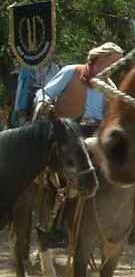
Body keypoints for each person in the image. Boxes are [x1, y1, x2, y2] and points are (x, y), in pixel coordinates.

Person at [34, 42, 123, 249]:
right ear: (101, 58)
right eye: (114, 61)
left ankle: (124, 219)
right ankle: (57, 225)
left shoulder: (109, 84)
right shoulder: (71, 72)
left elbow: (118, 110)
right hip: (68, 131)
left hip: (96, 133)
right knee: (73, 171)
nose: (116, 66)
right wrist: (43, 103)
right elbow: (43, 93)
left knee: (121, 162)